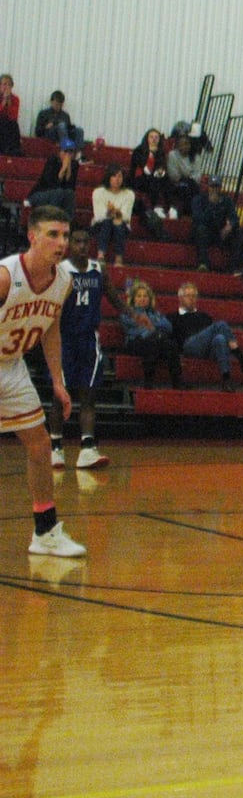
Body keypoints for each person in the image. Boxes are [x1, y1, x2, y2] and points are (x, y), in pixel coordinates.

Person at [1, 206, 88, 557]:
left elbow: (50, 326)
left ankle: (45, 531)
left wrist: (57, 380)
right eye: (53, 234)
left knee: (39, 445)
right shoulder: (7, 276)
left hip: (11, 365)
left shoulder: (64, 281)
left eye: (65, 235)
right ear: (32, 236)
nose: (62, 242)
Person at [47, 228, 126, 468]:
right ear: (70, 244)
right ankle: (55, 448)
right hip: (63, 339)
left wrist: (134, 314)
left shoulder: (98, 269)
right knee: (60, 396)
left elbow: (113, 297)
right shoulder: (60, 270)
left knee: (88, 396)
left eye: (85, 242)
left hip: (89, 340)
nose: (82, 246)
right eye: (77, 242)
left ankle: (87, 448)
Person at [172, 282, 243, 392]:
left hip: (206, 349)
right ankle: (242, 359)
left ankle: (226, 379)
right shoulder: (173, 317)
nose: (191, 298)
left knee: (220, 339)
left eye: (194, 296)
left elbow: (212, 336)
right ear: (180, 298)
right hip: (188, 346)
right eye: (188, 295)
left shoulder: (205, 316)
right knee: (221, 324)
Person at [120, 279, 184, 389]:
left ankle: (177, 383)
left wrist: (149, 324)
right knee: (153, 341)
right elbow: (132, 328)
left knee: (171, 345)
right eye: (139, 296)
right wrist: (152, 329)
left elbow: (168, 326)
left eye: (145, 296)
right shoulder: (128, 313)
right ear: (133, 299)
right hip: (135, 342)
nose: (142, 299)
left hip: (155, 341)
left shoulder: (156, 313)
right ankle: (148, 382)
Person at [190, 175, 243, 272]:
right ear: (208, 187)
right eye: (212, 187)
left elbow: (235, 218)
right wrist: (211, 205)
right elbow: (197, 218)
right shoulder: (199, 199)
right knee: (200, 230)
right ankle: (203, 263)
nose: (215, 189)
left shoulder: (226, 200)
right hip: (205, 232)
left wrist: (230, 226)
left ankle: (233, 266)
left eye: (217, 187)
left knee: (239, 233)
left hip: (220, 233)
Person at [89, 166, 134, 266]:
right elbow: (99, 215)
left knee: (118, 224)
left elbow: (126, 216)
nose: (117, 179)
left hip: (121, 225)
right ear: (108, 178)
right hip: (100, 224)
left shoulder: (129, 194)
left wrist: (112, 211)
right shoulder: (98, 192)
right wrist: (115, 212)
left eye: (119, 176)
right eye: (114, 176)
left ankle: (118, 259)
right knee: (107, 222)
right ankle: (100, 256)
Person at [129, 128, 175, 219]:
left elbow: (161, 166)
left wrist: (161, 171)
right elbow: (139, 167)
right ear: (147, 138)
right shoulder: (139, 150)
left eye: (156, 137)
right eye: (151, 137)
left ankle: (171, 208)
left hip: (155, 177)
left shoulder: (161, 152)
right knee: (153, 181)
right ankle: (156, 207)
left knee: (167, 181)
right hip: (140, 178)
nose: (154, 139)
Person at [28, 140, 81, 213]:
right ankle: (52, 218)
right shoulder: (52, 161)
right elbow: (51, 184)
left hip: (59, 195)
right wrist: (63, 169)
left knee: (70, 194)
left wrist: (68, 169)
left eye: (70, 152)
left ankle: (67, 221)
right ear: (59, 152)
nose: (68, 155)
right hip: (40, 193)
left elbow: (71, 187)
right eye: (65, 151)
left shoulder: (74, 164)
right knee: (58, 192)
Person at [165, 133, 202, 212]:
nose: (183, 147)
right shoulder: (172, 155)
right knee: (183, 188)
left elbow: (197, 177)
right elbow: (173, 175)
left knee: (193, 187)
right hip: (176, 183)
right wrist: (187, 176)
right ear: (177, 146)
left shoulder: (196, 157)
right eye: (180, 144)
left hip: (191, 184)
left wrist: (186, 177)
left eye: (186, 144)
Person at [0, 73, 21, 156]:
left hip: (9, 126)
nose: (6, 87)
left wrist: (9, 102)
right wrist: (4, 101)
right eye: (4, 84)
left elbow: (13, 117)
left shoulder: (15, 99)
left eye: (9, 84)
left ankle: (11, 151)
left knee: (13, 125)